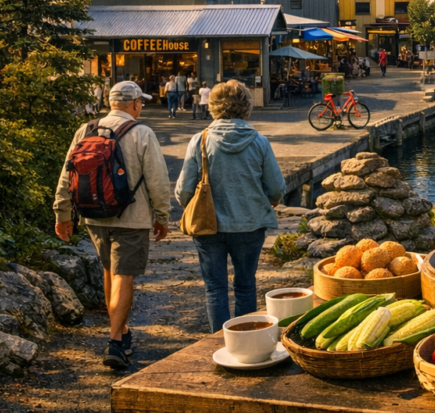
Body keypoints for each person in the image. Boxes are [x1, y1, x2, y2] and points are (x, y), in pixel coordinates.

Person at [54, 81, 171, 370]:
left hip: (93, 215)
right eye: (140, 102)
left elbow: (67, 175)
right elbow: (157, 180)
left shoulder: (86, 130)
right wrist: (163, 216)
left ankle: (123, 332)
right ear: (134, 104)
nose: (141, 106)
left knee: (110, 271)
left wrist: (63, 214)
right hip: (132, 219)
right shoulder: (142, 132)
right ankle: (116, 341)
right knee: (124, 276)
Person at [175, 80, 286, 334]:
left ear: (212, 107)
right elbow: (277, 188)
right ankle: (245, 341)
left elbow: (183, 191)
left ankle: (217, 342)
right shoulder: (259, 141)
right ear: (246, 106)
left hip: (207, 225)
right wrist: (269, 200)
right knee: (246, 286)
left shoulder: (199, 140)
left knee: (215, 288)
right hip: (250, 223)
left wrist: (190, 204)